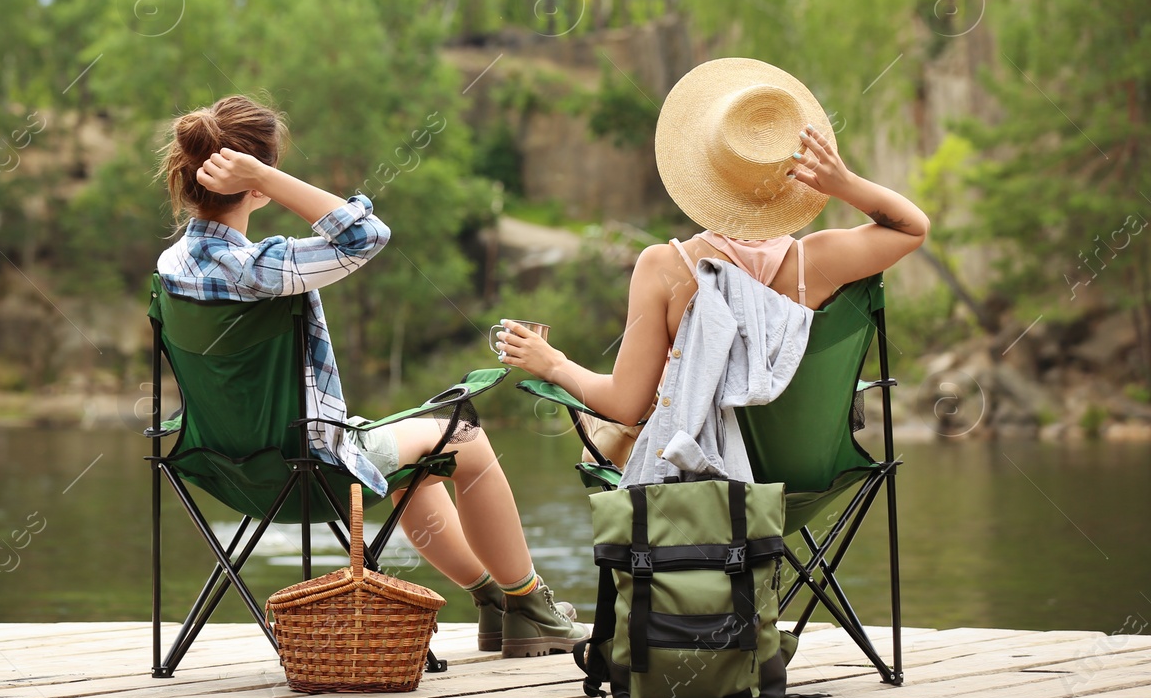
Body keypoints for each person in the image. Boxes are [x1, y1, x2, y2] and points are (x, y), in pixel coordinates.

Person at [155, 94, 587, 658]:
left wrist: (261, 176)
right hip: (309, 465)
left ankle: (492, 600)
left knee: (420, 464)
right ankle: (528, 604)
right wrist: (270, 176)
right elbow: (366, 235)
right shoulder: (265, 267)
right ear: (256, 182)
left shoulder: (171, 268)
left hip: (220, 468)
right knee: (467, 440)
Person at [496, 57, 931, 458]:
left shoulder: (665, 268)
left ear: (706, 170)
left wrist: (552, 362)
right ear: (791, 180)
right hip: (800, 471)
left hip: (697, 480)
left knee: (612, 433)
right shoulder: (816, 263)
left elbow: (625, 406)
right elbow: (912, 227)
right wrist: (845, 183)